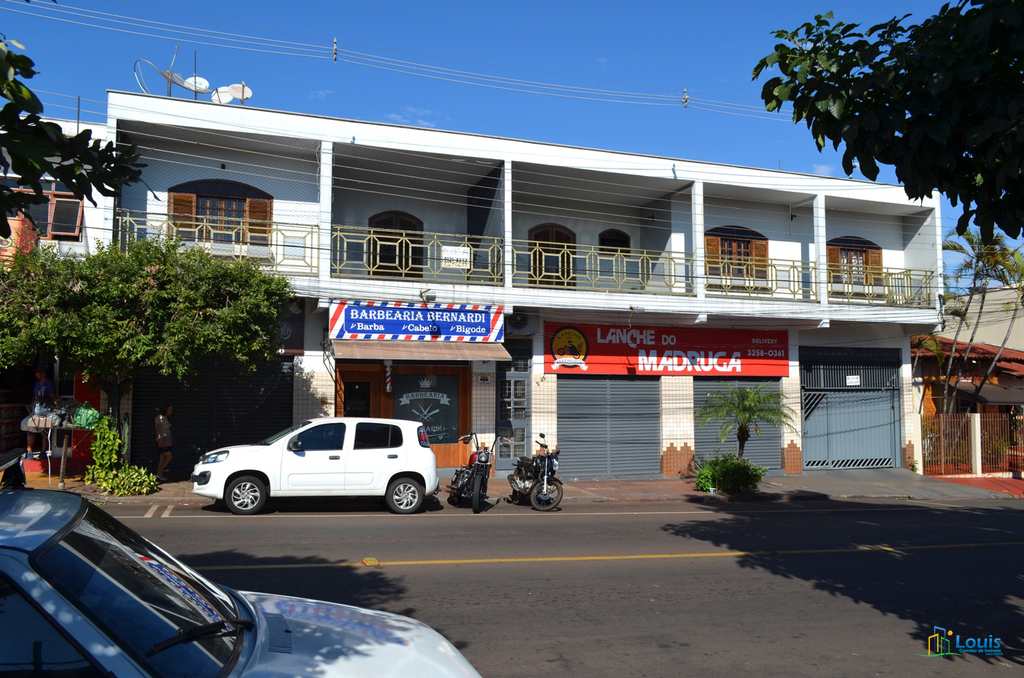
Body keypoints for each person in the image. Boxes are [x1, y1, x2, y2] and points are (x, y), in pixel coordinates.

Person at [26, 368, 55, 456]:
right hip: (37, 409)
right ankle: (30, 451)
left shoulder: (48, 384)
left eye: (38, 372)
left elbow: (51, 396)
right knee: (32, 429)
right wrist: (31, 407)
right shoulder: (36, 384)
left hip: (45, 409)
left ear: (43, 373)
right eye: (36, 373)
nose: (36, 374)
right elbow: (35, 396)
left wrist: (55, 403)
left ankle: (43, 451)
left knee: (44, 431)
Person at [154, 405, 174, 482]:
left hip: (167, 440)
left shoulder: (165, 418)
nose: (171, 411)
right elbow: (158, 429)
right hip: (163, 440)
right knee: (169, 456)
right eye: (170, 409)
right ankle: (160, 472)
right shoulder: (160, 418)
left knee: (162, 458)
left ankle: (159, 474)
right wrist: (160, 438)